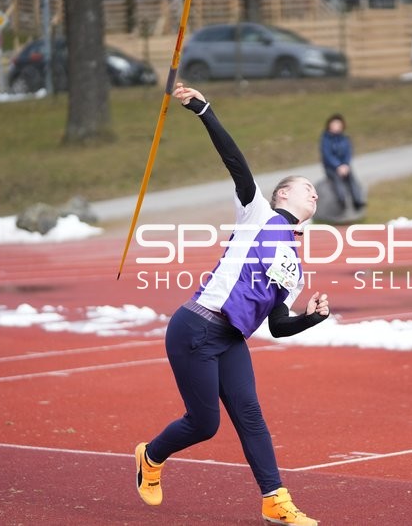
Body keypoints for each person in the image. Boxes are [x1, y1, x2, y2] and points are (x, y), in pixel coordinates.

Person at [135, 83, 329, 526]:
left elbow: (278, 325)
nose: (314, 195)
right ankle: (150, 456)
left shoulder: (295, 264)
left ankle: (274, 501)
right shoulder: (257, 213)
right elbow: (235, 161)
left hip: (230, 340)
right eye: (306, 189)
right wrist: (204, 110)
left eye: (315, 192)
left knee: (251, 415)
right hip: (196, 328)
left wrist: (311, 319)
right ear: (282, 196)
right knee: (204, 425)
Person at [319, 113, 365, 211]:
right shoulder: (325, 139)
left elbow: (348, 153)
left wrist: (345, 165)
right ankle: (342, 200)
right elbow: (327, 155)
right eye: (334, 124)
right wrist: (337, 166)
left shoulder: (344, 138)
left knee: (352, 179)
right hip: (331, 167)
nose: (336, 127)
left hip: (344, 166)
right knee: (337, 180)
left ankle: (358, 201)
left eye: (338, 125)